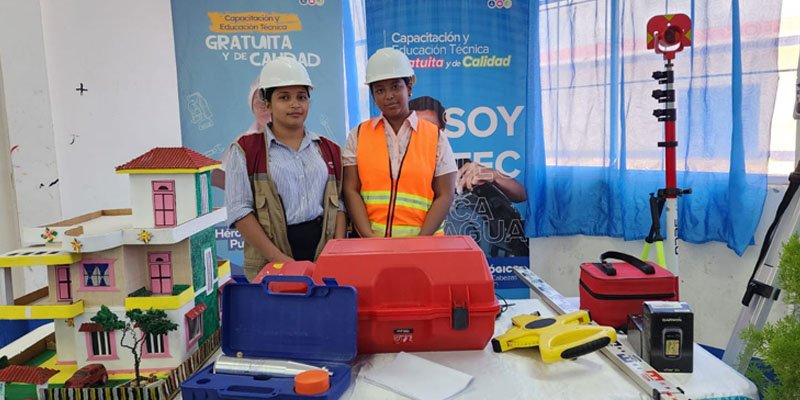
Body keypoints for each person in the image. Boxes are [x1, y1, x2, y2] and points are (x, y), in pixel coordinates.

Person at [224, 57, 345, 279]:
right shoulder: (244, 150)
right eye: (284, 97)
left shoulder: (329, 150)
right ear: (267, 104)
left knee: (323, 314)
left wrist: (333, 254)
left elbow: (339, 204)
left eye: (301, 97)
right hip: (270, 262)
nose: (295, 104)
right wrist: (282, 262)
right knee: (278, 314)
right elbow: (239, 211)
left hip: (322, 257)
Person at [342, 48, 456, 238]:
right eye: (380, 90)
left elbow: (445, 195)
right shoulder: (359, 135)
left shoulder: (436, 137)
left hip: (424, 246)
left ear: (409, 87)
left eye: (396, 87)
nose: (388, 96)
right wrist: (369, 239)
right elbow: (350, 189)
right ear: (372, 95)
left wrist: (421, 241)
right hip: (372, 248)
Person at [408, 96, 529, 257]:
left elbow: (521, 195)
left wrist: (495, 176)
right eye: (418, 128)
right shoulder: (395, 172)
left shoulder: (463, 168)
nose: (425, 134)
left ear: (442, 132)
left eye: (431, 128)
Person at [211, 78, 272, 190]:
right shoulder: (243, 142)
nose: (264, 108)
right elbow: (216, 176)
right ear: (252, 108)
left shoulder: (296, 139)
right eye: (258, 103)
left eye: (267, 102)